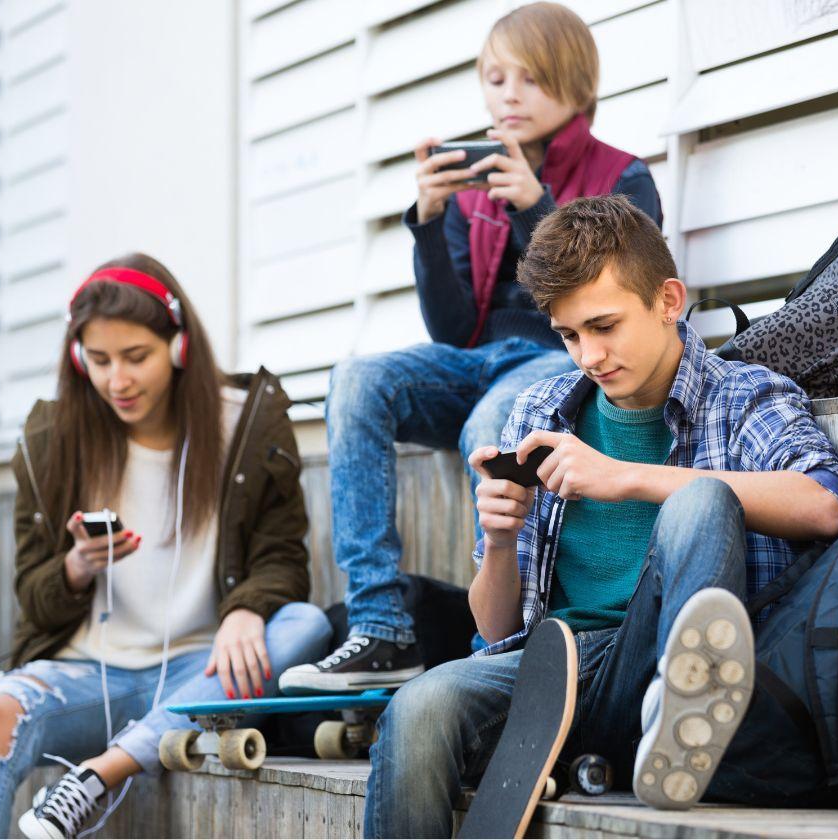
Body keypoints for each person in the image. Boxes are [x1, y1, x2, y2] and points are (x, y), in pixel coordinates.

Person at [363, 195, 838, 837]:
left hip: (675, 673)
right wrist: (501, 539)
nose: (589, 354)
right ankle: (633, 741)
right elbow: (495, 624)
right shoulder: (539, 414)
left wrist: (626, 478)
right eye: (570, 335)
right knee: (418, 708)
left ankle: (680, 714)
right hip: (553, 679)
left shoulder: (744, 396)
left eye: (604, 325)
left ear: (668, 302)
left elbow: (825, 506)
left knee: (702, 500)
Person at [280, 1, 663, 694]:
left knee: (497, 424)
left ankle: (501, 638)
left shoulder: (623, 177)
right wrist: (428, 225)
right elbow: (452, 332)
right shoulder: (470, 188)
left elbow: (603, 308)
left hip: (561, 360)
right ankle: (382, 628)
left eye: (530, 79)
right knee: (357, 379)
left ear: (576, 87)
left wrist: (534, 209)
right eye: (493, 79)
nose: (507, 95)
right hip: (479, 358)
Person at [0, 254, 332, 839]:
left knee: (302, 623)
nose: (116, 381)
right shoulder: (51, 438)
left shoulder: (245, 423)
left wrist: (248, 607)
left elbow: (283, 558)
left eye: (135, 357)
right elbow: (32, 597)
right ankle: (119, 756)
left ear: (178, 347)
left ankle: (100, 774)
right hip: (87, 677)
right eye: (98, 361)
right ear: (78, 359)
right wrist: (74, 567)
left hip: (203, 670)